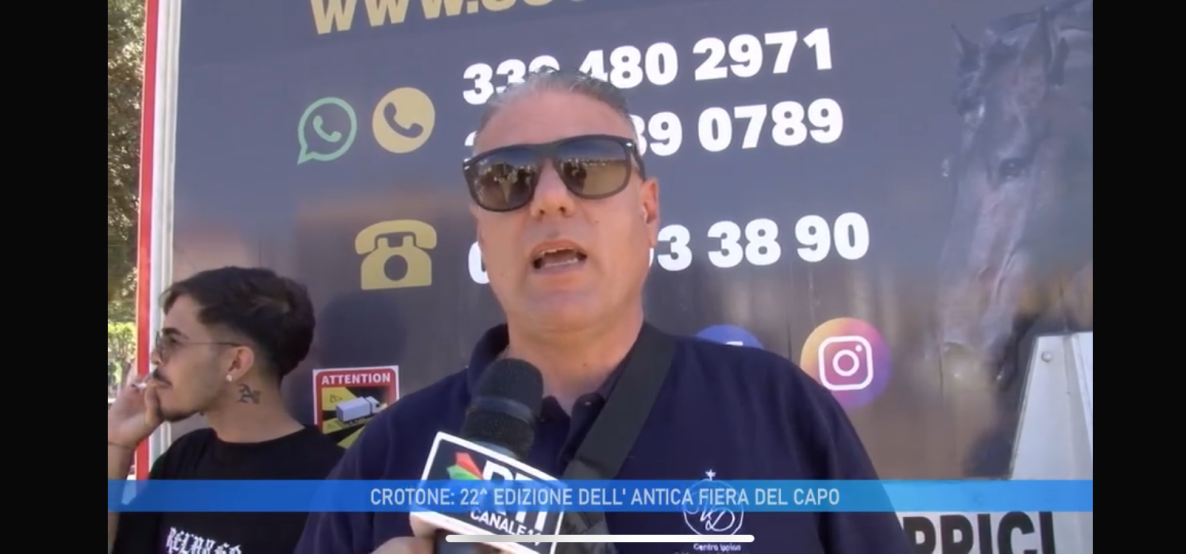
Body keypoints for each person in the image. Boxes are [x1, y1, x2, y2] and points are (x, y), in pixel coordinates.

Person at [295, 69, 912, 554]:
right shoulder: (387, 454)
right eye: (506, 178)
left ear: (648, 212)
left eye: (588, 166)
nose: (550, 199)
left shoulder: (780, 410)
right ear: (481, 233)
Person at [108, 266, 344, 554]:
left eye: (173, 342)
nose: (156, 357)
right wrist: (117, 444)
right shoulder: (186, 456)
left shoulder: (330, 483)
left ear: (235, 363)